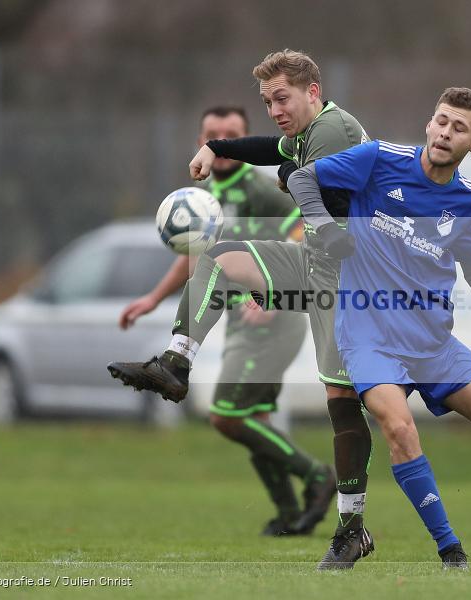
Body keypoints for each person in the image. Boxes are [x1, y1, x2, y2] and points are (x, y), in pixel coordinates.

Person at [286, 87, 471, 571]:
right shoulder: (379, 159)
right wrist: (323, 227)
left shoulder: (467, 203)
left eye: (459, 127)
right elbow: (302, 180)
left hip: (433, 342)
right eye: (442, 121)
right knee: (400, 429)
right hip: (369, 338)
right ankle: (451, 552)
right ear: (429, 124)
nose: (446, 132)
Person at [108, 50, 376, 555]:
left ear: (312, 92)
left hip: (351, 279)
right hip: (316, 264)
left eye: (282, 98)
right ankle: (175, 363)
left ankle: (351, 523)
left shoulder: (333, 131)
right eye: (268, 100)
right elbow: (270, 149)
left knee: (349, 404)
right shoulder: (301, 136)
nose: (275, 109)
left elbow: (308, 192)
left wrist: (290, 178)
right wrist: (218, 146)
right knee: (219, 254)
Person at [118, 106, 327, 536]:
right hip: (239, 322)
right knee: (256, 420)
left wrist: (274, 297)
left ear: (243, 140)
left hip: (274, 321)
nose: (222, 140)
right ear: (202, 141)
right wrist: (154, 298)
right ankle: (289, 513)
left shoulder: (262, 190)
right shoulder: (204, 199)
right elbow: (199, 258)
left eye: (230, 134)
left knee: (227, 417)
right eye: (213, 133)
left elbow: (302, 234)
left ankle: (317, 476)